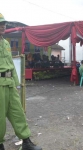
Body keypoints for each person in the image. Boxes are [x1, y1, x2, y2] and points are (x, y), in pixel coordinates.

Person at [0, 13, 42, 150]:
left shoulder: (5, 43)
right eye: (0, 23)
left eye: (4, 23)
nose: (3, 26)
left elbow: (10, 63)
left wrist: (16, 83)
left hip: (10, 82)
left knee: (18, 112)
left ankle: (26, 142)